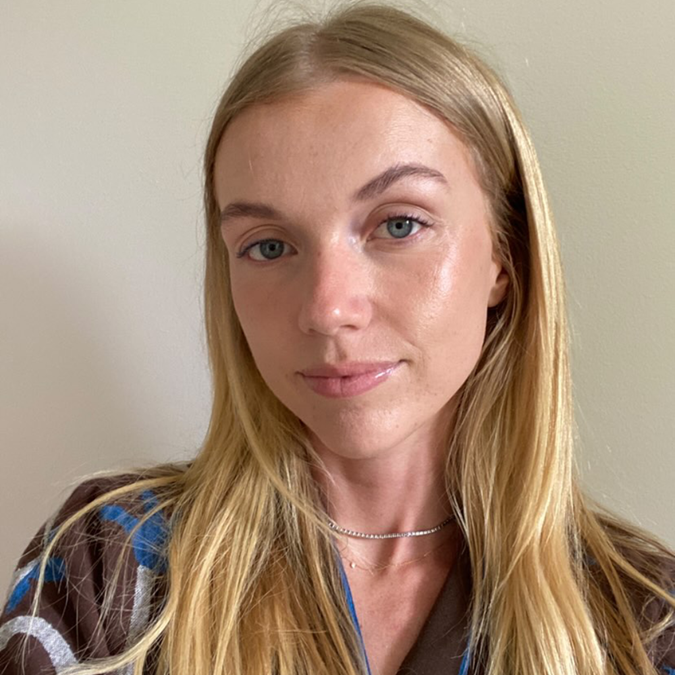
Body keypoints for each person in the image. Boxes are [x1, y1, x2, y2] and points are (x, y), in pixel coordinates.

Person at [1, 3, 673, 675]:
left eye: (399, 225)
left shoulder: (646, 621)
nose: (326, 309)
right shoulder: (109, 567)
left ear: (505, 255)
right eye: (268, 245)